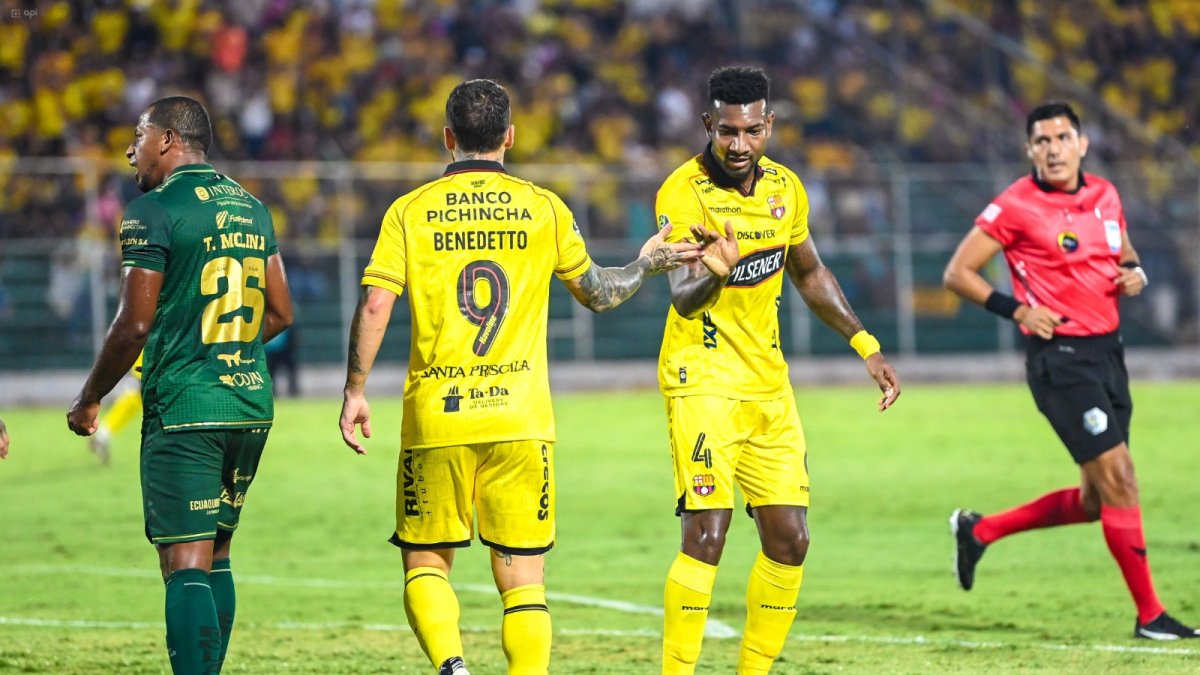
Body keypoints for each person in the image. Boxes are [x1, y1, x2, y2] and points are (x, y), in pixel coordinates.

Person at [338, 78, 702, 675]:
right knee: (524, 580)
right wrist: (646, 261)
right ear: (510, 136)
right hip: (522, 419)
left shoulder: (409, 211)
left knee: (426, 562)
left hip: (437, 417)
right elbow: (598, 293)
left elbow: (376, 305)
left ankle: (453, 667)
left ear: (448, 137)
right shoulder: (544, 207)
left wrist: (355, 391)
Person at [654, 65, 901, 674]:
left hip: (767, 385)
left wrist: (866, 344)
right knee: (706, 537)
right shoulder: (682, 193)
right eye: (728, 132)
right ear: (709, 125)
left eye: (753, 131)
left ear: (770, 125)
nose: (740, 145)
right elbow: (681, 298)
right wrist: (714, 268)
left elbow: (810, 273)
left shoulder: (786, 189)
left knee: (791, 540)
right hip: (701, 380)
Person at [943, 101, 1197, 640]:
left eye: (1062, 138)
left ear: (1082, 144)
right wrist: (1017, 311)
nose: (1053, 149)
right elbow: (958, 272)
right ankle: (1151, 616)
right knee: (1122, 479)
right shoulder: (1015, 205)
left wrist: (1133, 272)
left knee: (1095, 500)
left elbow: (1122, 251)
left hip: (1108, 353)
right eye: (1042, 141)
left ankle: (979, 531)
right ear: (1029, 150)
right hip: (1060, 359)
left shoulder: (1106, 194)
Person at [67, 96, 294, 673]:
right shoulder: (253, 208)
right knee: (217, 553)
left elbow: (134, 324)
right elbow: (281, 312)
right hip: (249, 405)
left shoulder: (152, 210)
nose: (129, 150)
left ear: (166, 140)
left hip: (187, 407)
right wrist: (226, 350)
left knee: (185, 563)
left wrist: (91, 395)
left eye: (138, 137)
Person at [88, 351, 145, 464]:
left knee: (130, 404)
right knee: (130, 403)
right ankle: (103, 435)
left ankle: (103, 435)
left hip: (143, 372)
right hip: (146, 372)